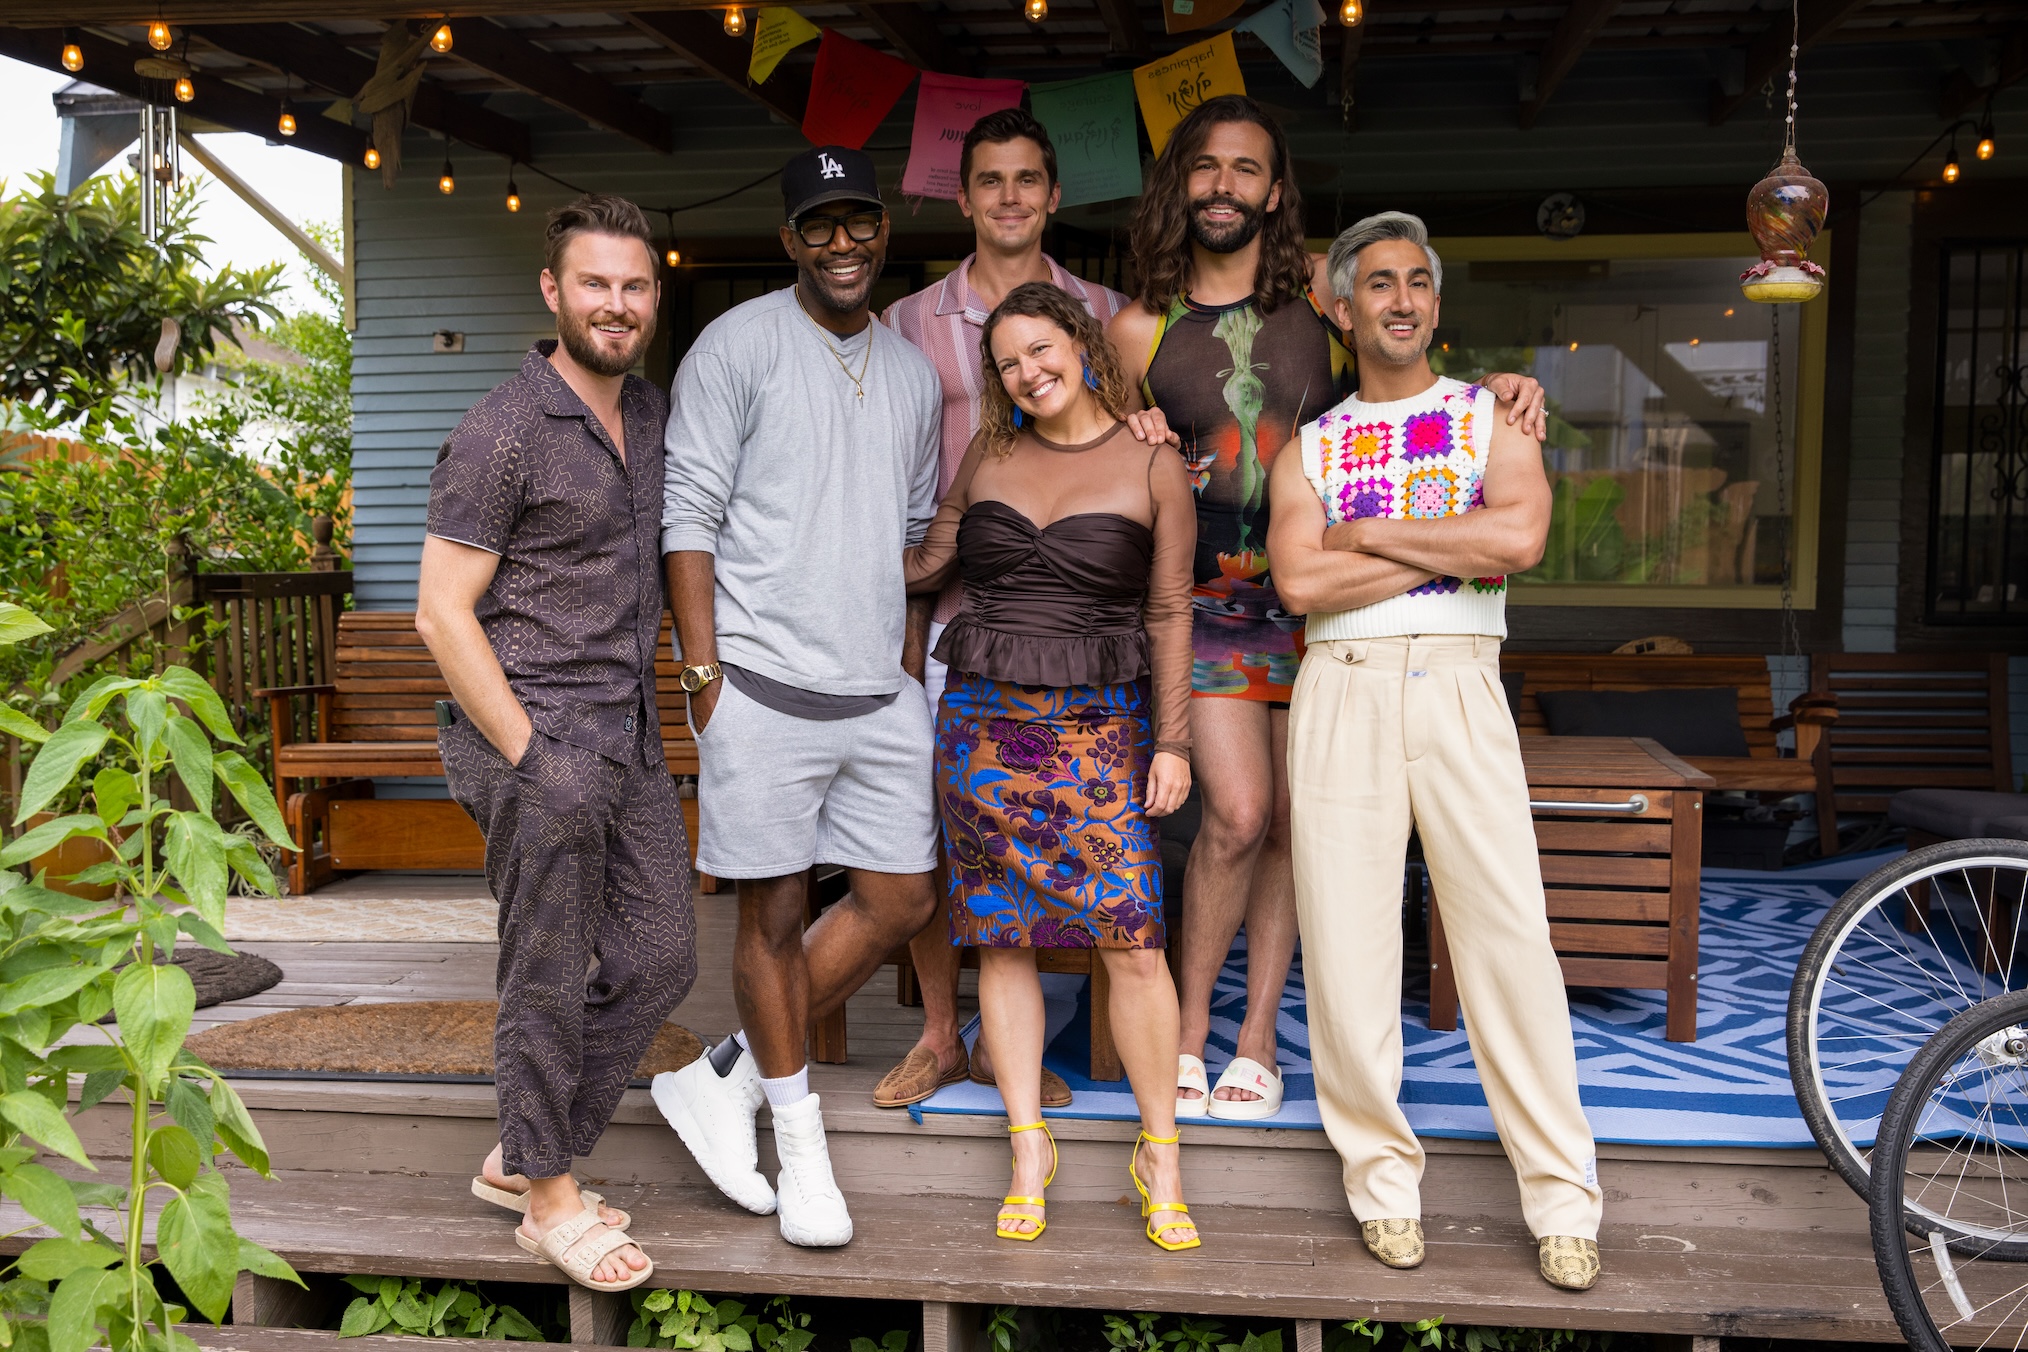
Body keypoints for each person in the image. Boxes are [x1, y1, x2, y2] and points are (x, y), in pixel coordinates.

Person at [1108, 95, 1549, 1122]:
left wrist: (1499, 384)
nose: (1224, 185)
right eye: (1205, 166)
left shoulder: (1320, 293)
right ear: (1181, 184)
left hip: (1324, 610)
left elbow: (1404, 355)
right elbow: (1107, 458)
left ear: (1275, 191)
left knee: (1296, 823)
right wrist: (1128, 432)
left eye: (1246, 168)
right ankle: (1187, 1031)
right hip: (1207, 606)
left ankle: (1258, 1037)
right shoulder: (1138, 326)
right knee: (1239, 814)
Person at [1266, 211, 1604, 1291]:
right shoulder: (1308, 448)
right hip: (1343, 687)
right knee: (1348, 949)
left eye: (1418, 281)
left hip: (1462, 684)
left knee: (1510, 941)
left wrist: (1365, 532)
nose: (1402, 299)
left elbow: (1518, 538)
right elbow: (1300, 583)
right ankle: (1381, 1185)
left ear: (1436, 302)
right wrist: (1450, 542)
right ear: (1342, 307)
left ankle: (1562, 1198)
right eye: (1379, 283)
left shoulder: (1491, 414)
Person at [654, 145, 942, 1249]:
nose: (841, 242)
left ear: (882, 229)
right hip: (760, 683)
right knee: (771, 915)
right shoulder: (736, 346)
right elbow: (688, 516)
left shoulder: (912, 373)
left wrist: (906, 665)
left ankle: (723, 1074)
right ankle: (801, 1148)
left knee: (903, 898)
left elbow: (908, 535)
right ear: (790, 240)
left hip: (876, 691)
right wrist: (704, 677)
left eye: (858, 219)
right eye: (818, 224)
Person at [418, 193, 696, 1293]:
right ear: (553, 291)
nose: (615, 304)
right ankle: (547, 1199)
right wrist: (533, 757)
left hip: (628, 734)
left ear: (654, 297)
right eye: (594, 283)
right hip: (533, 736)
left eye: (633, 286)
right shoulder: (502, 431)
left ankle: (521, 1155)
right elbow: (441, 613)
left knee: (663, 958)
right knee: (546, 963)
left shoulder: (655, 413)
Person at [905, 281, 1199, 1250]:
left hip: (1101, 732)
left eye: (1041, 349)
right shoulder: (988, 453)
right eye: (1007, 364)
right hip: (980, 730)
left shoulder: (1153, 460)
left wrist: (1173, 741)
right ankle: (1028, 1146)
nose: (1028, 373)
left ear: (1080, 343)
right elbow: (926, 565)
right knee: (1003, 939)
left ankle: (1161, 1153)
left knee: (1134, 942)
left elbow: (1169, 612)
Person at [876, 107, 1138, 1113]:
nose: (1011, 196)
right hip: (944, 610)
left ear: (1054, 193)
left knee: (1054, 826)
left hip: (1072, 625)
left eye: (1028, 178)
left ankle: (1006, 1037)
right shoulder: (906, 323)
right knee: (934, 824)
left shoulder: (1108, 313)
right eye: (991, 179)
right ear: (965, 196)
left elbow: (1133, 435)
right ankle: (943, 1036)